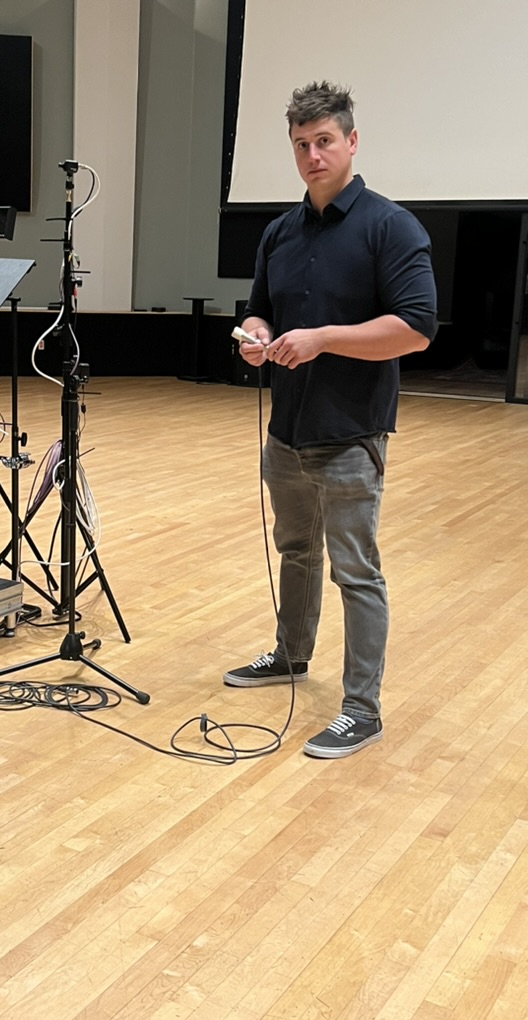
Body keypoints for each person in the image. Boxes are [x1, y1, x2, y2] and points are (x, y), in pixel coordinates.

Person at [223, 80, 438, 759]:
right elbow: (259, 309)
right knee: (296, 551)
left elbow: (416, 329)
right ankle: (291, 654)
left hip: (350, 433)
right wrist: (254, 335)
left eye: (323, 142)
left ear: (351, 142)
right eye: (300, 145)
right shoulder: (279, 233)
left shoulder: (391, 226)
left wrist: (321, 338)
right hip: (286, 429)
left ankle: (361, 708)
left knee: (356, 572)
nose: (312, 155)